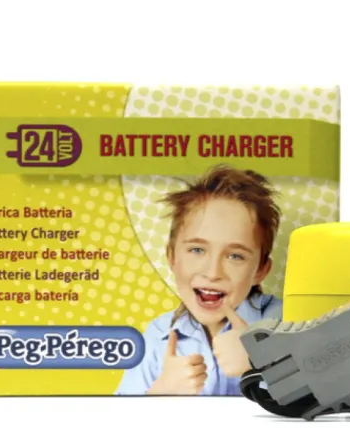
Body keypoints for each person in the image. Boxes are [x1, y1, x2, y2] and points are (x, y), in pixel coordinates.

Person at [115, 164, 283, 396]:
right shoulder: (158, 334)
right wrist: (159, 394)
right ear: (172, 257)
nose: (213, 272)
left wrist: (258, 362)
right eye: (197, 250)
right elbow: (118, 415)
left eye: (235, 256)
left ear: (261, 270)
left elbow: (317, 399)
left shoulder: (284, 322)